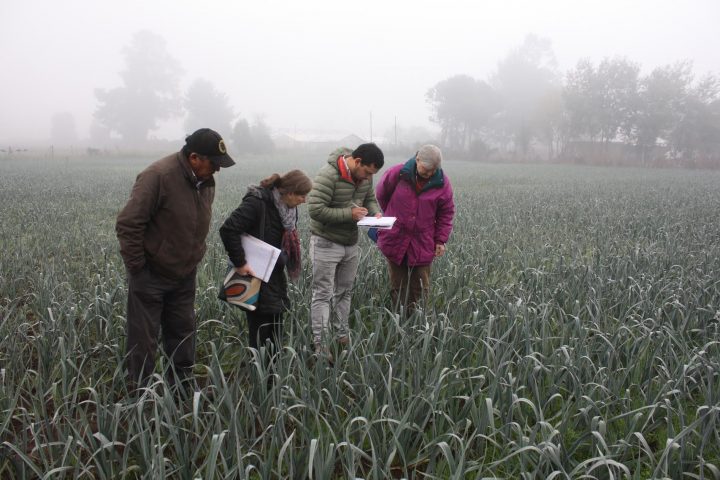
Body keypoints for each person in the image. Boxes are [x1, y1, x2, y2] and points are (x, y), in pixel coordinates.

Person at [116, 128, 235, 391]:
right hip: (151, 275)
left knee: (183, 333)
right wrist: (139, 269)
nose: (217, 170)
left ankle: (181, 392)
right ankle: (139, 396)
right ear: (194, 157)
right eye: (214, 163)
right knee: (143, 340)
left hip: (184, 274)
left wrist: (193, 258)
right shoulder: (158, 176)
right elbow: (128, 224)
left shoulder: (204, 181)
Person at [219, 170, 312, 354]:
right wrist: (240, 263)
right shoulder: (257, 202)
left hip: (274, 274)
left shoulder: (288, 209)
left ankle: (272, 375)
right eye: (302, 195)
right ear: (290, 192)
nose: (304, 200)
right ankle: (260, 377)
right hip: (255, 275)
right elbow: (229, 229)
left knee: (275, 330)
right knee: (261, 332)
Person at [307, 143, 384, 357]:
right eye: (367, 172)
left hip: (350, 243)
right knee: (323, 294)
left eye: (372, 174)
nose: (368, 177)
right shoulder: (328, 175)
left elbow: (370, 198)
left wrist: (376, 213)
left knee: (345, 291)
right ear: (357, 161)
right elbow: (314, 209)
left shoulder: (365, 176)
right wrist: (348, 215)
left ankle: (342, 336)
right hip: (325, 242)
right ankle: (321, 345)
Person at [375, 144, 455, 312]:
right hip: (395, 238)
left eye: (434, 170)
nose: (430, 174)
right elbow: (382, 195)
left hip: (422, 242)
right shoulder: (397, 174)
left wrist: (440, 240)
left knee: (420, 287)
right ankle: (398, 322)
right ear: (417, 159)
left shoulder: (442, 183)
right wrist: (393, 216)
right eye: (426, 170)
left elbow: (446, 213)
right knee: (398, 286)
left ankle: (418, 325)